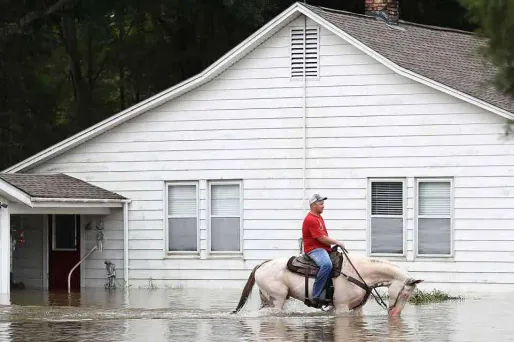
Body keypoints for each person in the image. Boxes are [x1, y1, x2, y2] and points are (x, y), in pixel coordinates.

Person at [302, 194, 345, 306]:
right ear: (313, 205)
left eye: (323, 204)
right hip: (314, 249)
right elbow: (321, 238)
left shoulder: (318, 217)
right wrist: (336, 242)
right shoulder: (310, 219)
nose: (323, 206)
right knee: (327, 265)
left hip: (322, 248)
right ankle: (315, 295)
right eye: (321, 204)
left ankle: (329, 292)